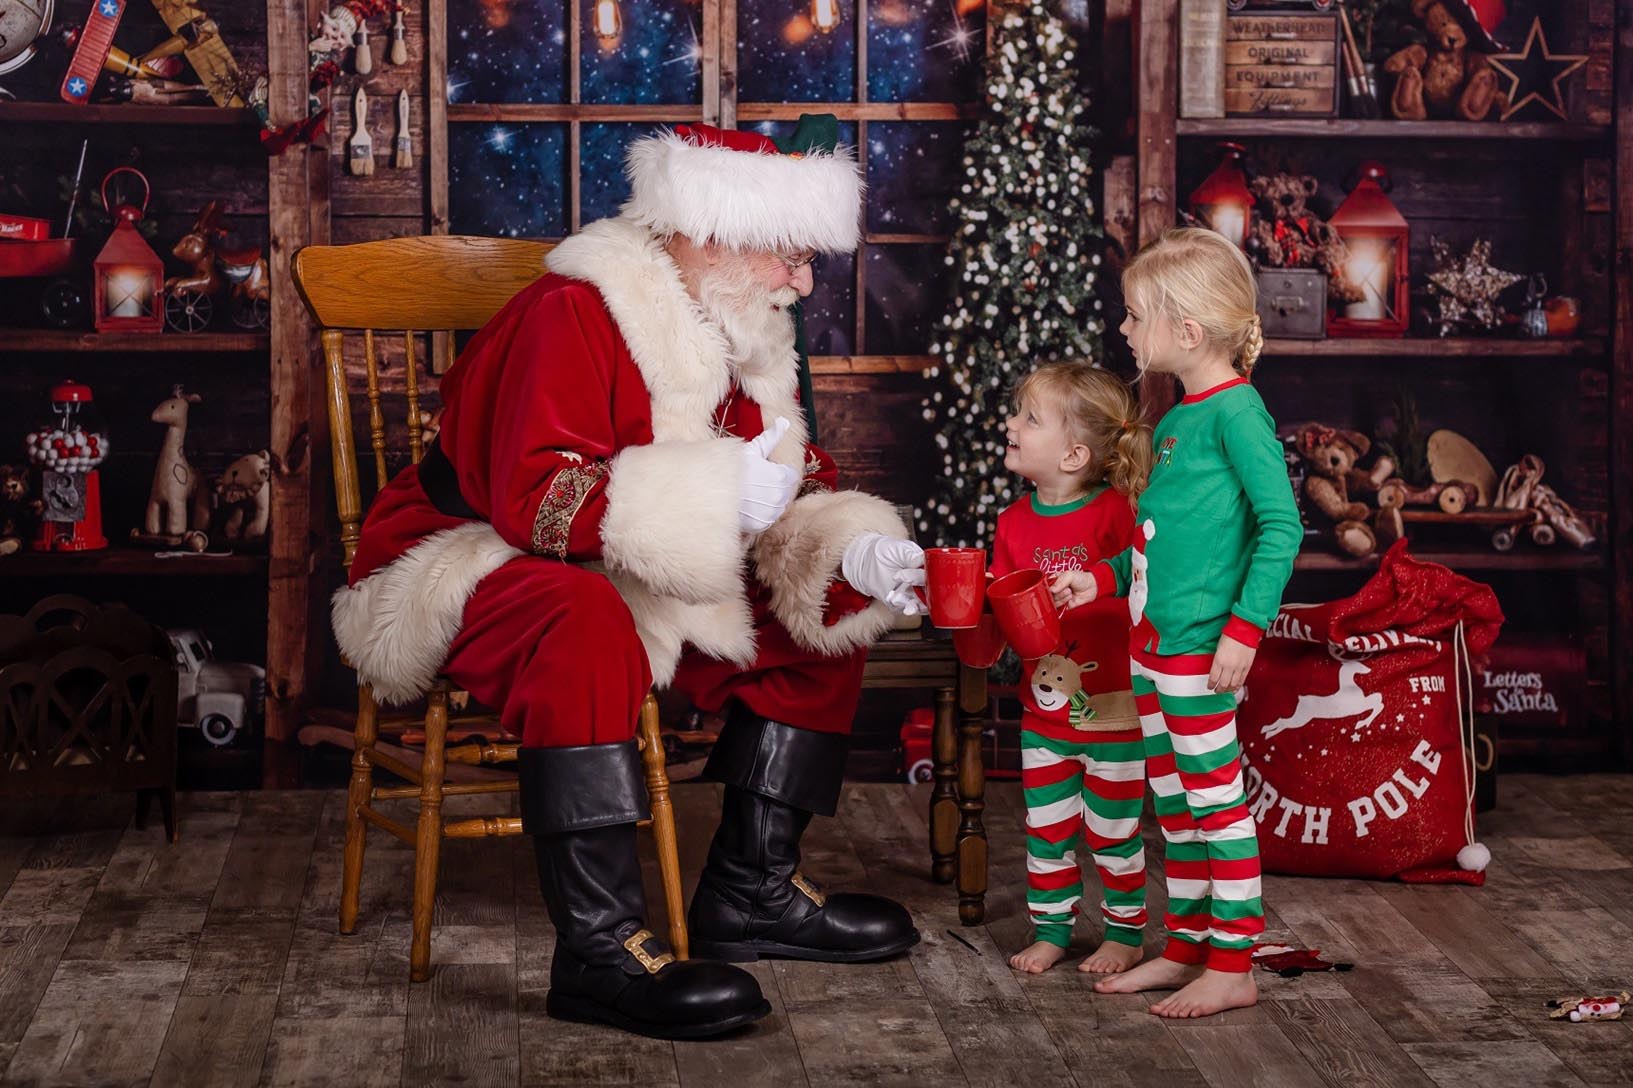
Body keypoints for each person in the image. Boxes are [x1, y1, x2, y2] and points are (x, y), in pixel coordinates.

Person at [331, 116, 927, 1039]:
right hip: (469, 547)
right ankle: (599, 953)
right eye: (792, 258)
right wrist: (726, 496)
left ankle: (751, 891)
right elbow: (535, 501)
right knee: (584, 619)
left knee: (819, 606)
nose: (803, 282)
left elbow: (779, 473)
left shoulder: (734, 319)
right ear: (718, 233)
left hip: (624, 555)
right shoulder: (573, 310)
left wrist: (845, 544)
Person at [1049, 228, 1301, 1018]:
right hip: (1152, 655)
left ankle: (1233, 963)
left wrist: (1244, 630)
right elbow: (1165, 547)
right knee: (1175, 808)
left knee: (1214, 805)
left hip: (1198, 655)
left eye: (1132, 317)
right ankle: (1187, 950)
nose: (1122, 330)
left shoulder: (1238, 416)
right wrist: (1097, 577)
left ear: (1185, 331)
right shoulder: (1176, 423)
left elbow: (1281, 525)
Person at [992, 362, 1153, 978]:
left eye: (1029, 419)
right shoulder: (1012, 524)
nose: (1011, 424)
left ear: (1074, 454)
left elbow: (1143, 585)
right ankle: (1053, 929)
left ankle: (1124, 934)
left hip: (1114, 712)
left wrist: (1095, 591)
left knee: (1114, 832)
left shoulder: (1117, 513)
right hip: (1045, 715)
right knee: (1046, 830)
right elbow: (1011, 606)